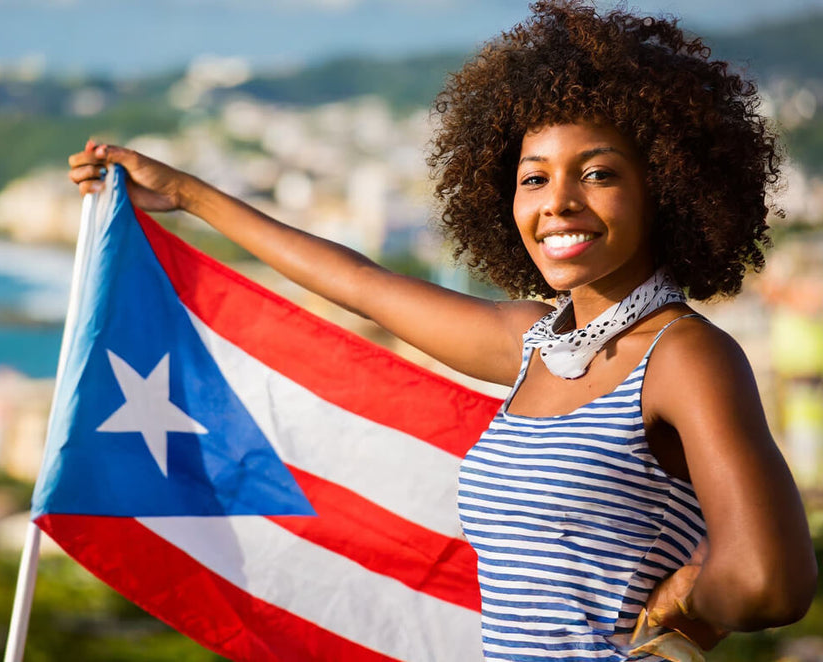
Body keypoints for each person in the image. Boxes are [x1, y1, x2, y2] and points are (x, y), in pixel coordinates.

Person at [68, 1, 817, 658]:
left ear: (668, 190)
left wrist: (689, 594)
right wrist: (191, 194)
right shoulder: (535, 345)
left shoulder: (683, 355)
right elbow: (362, 286)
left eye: (598, 173)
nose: (557, 202)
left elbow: (768, 583)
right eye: (534, 178)